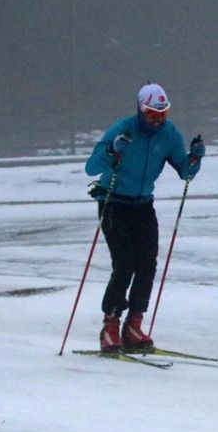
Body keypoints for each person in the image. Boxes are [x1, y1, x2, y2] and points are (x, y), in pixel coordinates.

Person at [85, 83, 205, 351]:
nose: (157, 119)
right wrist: (112, 151)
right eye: (152, 113)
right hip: (113, 203)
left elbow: (185, 172)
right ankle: (110, 325)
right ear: (141, 109)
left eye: (163, 113)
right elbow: (91, 167)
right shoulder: (123, 129)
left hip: (143, 206)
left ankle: (134, 324)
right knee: (125, 263)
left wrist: (195, 159)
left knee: (147, 265)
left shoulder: (169, 134)